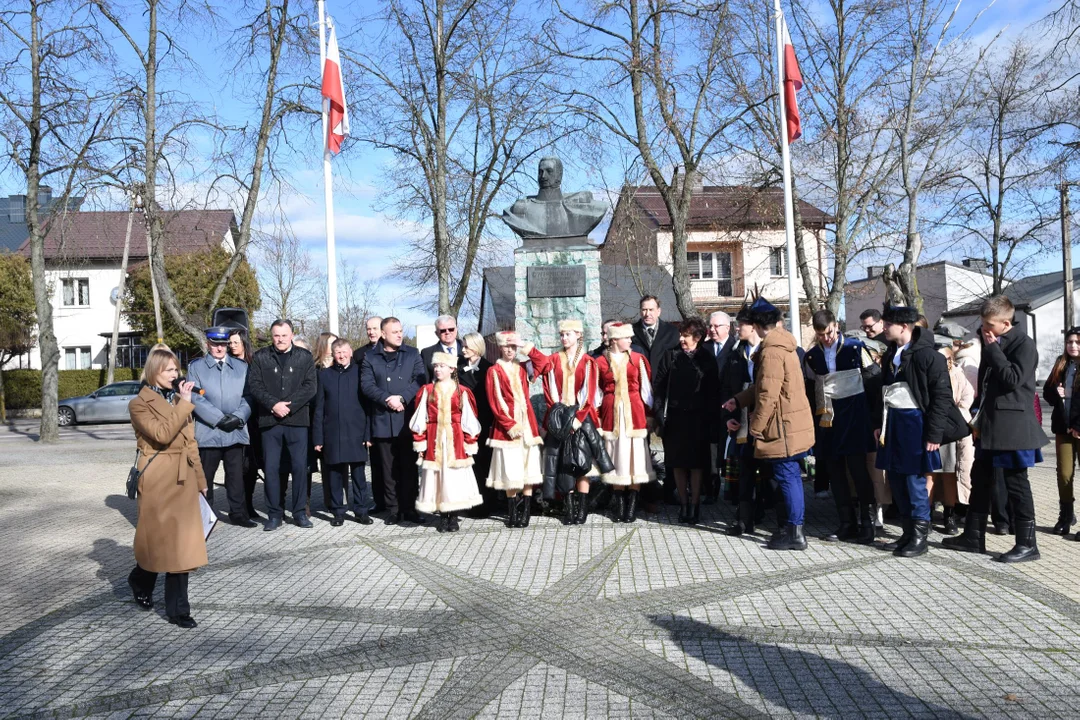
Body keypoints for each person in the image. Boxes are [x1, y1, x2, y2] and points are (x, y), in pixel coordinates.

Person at [944, 296, 1048, 562]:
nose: (985, 328)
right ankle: (973, 536)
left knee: (1016, 483)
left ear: (1006, 322)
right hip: (990, 424)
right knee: (981, 479)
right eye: (982, 323)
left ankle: (1027, 544)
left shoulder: (1024, 344)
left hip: (1013, 426)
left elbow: (1013, 379)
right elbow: (988, 384)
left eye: (990, 324)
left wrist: (992, 351)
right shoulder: (994, 341)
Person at [723, 298, 815, 550]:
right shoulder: (783, 344)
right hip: (790, 423)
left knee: (787, 477)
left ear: (757, 325)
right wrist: (739, 400)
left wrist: (755, 428)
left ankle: (795, 532)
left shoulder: (772, 351)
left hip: (782, 427)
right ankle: (791, 528)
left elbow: (768, 394)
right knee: (791, 476)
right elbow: (762, 387)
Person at [126, 347, 207, 629]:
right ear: (154, 372)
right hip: (158, 480)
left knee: (182, 548)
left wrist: (200, 479)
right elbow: (161, 435)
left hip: (183, 478)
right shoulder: (139, 404)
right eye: (169, 370)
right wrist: (183, 404)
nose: (176, 374)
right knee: (157, 544)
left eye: (176, 369)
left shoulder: (177, 401)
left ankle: (178, 610)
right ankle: (140, 579)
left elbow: (190, 442)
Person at [873, 305, 952, 558]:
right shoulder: (890, 354)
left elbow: (941, 398)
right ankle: (907, 533)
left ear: (904, 327)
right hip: (892, 422)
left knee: (914, 481)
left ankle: (920, 537)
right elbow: (882, 393)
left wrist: (934, 435)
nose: (883, 328)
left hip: (915, 425)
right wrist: (879, 424)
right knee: (896, 479)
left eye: (888, 324)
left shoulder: (930, 357)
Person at [802, 310, 878, 544]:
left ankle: (867, 522)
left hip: (855, 417)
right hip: (828, 419)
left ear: (836, 325)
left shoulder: (856, 348)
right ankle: (846, 522)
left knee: (858, 470)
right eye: (820, 334)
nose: (826, 338)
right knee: (835, 472)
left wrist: (875, 420)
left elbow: (874, 382)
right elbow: (809, 390)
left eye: (829, 332)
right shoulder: (812, 356)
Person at [524, 319, 609, 524]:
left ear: (578, 335)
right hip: (559, 418)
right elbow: (548, 386)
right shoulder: (554, 359)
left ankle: (583, 509)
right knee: (562, 463)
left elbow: (589, 392)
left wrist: (577, 418)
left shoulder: (588, 361)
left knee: (581, 463)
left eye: (568, 334)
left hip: (581, 418)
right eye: (562, 335)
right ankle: (569, 507)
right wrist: (560, 414)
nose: (564, 338)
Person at [246, 319, 318, 531]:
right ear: (272, 336)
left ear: (292, 335)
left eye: (284, 335)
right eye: (276, 335)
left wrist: (290, 406)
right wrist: (273, 405)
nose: (280, 339)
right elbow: (255, 386)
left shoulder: (304, 357)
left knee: (299, 468)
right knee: (271, 468)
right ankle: (274, 514)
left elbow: (310, 386)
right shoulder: (261, 357)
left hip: (297, 421)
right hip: (270, 422)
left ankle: (299, 514)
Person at [361, 317, 428, 525]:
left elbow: (420, 379)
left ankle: (410, 508)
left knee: (408, 468)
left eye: (400, 331)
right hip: (382, 420)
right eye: (395, 332)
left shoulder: (412, 354)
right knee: (388, 470)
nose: (400, 335)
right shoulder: (370, 357)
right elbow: (366, 385)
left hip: (407, 420)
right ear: (383, 334)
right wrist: (386, 399)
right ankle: (393, 509)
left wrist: (402, 398)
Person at [654, 317, 719, 525]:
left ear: (698, 338)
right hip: (675, 418)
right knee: (678, 464)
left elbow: (713, 394)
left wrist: (712, 421)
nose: (681, 339)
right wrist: (658, 415)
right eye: (681, 335)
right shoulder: (670, 356)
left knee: (697, 465)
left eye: (686, 335)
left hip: (699, 419)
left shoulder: (707, 359)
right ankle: (683, 504)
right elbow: (659, 388)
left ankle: (695, 505)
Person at [409, 353, 485, 531]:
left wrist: (469, 442)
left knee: (454, 478)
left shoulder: (462, 391)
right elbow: (420, 419)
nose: (437, 369)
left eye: (442, 366)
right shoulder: (427, 391)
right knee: (438, 479)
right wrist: (420, 442)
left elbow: (469, 420)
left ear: (452, 369)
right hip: (435, 441)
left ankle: (454, 515)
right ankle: (443, 516)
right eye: (435, 366)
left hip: (455, 442)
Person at [188, 326, 254, 527]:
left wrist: (238, 417)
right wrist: (219, 419)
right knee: (205, 477)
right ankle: (205, 516)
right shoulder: (196, 367)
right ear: (208, 344)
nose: (219, 348)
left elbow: (249, 396)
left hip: (235, 431)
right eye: (215, 344)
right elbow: (195, 398)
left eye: (223, 344)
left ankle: (239, 514)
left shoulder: (241, 367)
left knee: (236, 477)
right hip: (209, 432)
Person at [596, 322, 656, 522]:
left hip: (634, 412)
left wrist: (649, 414)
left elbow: (646, 389)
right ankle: (619, 504)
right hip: (611, 413)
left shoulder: (638, 359)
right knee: (616, 457)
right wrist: (597, 416)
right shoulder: (600, 362)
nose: (630, 341)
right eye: (626, 338)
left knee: (635, 458)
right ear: (614, 340)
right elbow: (596, 391)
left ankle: (632, 506)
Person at [720, 304, 771, 537]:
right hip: (741, 421)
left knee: (768, 471)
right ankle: (744, 519)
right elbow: (726, 389)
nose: (737, 328)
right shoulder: (735, 354)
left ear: (754, 327)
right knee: (745, 470)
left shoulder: (769, 350)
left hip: (766, 420)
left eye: (741, 324)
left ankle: (769, 514)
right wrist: (729, 417)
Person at [485, 331, 543, 527]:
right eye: (507, 346)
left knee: (529, 468)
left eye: (513, 347)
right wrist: (510, 425)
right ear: (500, 347)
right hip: (507, 428)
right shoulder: (494, 371)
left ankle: (526, 512)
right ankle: (512, 513)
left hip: (528, 426)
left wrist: (523, 343)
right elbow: (495, 401)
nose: (510, 350)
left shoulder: (523, 367)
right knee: (510, 470)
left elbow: (543, 363)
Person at [313, 339, 373, 526]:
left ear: (351, 352)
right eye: (337, 352)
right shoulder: (324, 375)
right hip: (332, 434)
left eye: (344, 351)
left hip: (356, 433)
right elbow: (319, 408)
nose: (341, 355)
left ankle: (361, 511)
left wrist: (368, 435)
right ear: (333, 354)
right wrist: (318, 438)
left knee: (359, 477)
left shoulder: (361, 372)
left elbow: (368, 407)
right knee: (335, 477)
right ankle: (338, 512)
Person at [925, 343, 974, 536]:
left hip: (950, 432)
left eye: (945, 359)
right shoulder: (929, 375)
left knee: (949, 474)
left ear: (951, 359)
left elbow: (967, 397)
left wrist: (955, 414)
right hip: (931, 430)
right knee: (929, 474)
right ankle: (926, 515)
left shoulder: (957, 374)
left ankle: (949, 514)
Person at [1043, 328, 1080, 536]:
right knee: (1064, 473)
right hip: (1063, 428)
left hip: (1079, 429)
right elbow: (1048, 393)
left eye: (1077, 342)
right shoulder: (1061, 363)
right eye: (1069, 342)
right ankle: (1066, 515)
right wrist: (1057, 394)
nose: (1073, 346)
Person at [458, 332, 495, 516]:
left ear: (476, 347)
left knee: (484, 463)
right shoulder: (458, 368)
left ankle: (486, 504)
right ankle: (471, 503)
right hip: (465, 424)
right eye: (463, 346)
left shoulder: (489, 368)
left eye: (466, 346)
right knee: (470, 464)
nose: (463, 349)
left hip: (484, 422)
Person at [703, 311, 737, 504]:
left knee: (731, 450)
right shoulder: (705, 348)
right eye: (711, 326)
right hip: (709, 409)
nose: (713, 330)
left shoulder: (736, 348)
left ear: (727, 328)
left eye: (717, 326)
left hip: (730, 406)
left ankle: (733, 490)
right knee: (712, 450)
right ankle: (711, 489)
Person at [227, 328, 261, 520]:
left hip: (252, 421)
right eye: (230, 343)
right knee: (236, 467)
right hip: (233, 419)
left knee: (251, 467)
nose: (232, 346)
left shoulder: (253, 363)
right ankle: (237, 508)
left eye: (236, 343)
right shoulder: (227, 364)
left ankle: (248, 502)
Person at [357, 317, 384, 511]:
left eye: (375, 328)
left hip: (389, 411)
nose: (371, 332)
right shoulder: (360, 354)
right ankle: (379, 500)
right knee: (375, 461)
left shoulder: (394, 351)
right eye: (368, 329)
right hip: (368, 412)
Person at [632, 295, 680, 369]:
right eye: (644, 310)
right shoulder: (631, 332)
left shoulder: (671, 332)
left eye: (651, 310)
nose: (647, 314)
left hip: (664, 378)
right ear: (640, 311)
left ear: (658, 311)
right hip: (640, 378)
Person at [421, 315, 464, 380]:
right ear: (436, 333)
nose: (447, 332)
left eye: (451, 329)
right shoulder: (427, 353)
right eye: (443, 330)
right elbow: (426, 380)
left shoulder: (469, 350)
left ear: (456, 330)